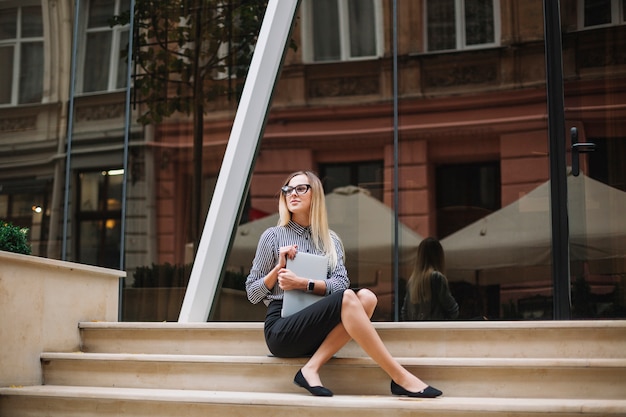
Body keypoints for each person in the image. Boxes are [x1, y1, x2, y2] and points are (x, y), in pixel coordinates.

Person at [246, 170, 442, 398]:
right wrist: (278, 269)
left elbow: (340, 284)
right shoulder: (273, 236)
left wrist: (303, 283)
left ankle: (310, 368)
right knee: (350, 297)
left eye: (301, 188)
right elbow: (252, 292)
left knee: (367, 297)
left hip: (319, 325)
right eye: (288, 189)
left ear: (315, 195)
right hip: (282, 328)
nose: (293, 194)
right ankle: (399, 377)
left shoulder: (331, 240)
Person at [401, 237, 459, 321]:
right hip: (435, 331)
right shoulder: (436, 278)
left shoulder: (413, 281)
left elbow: (404, 313)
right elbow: (453, 310)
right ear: (439, 256)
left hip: (416, 332)